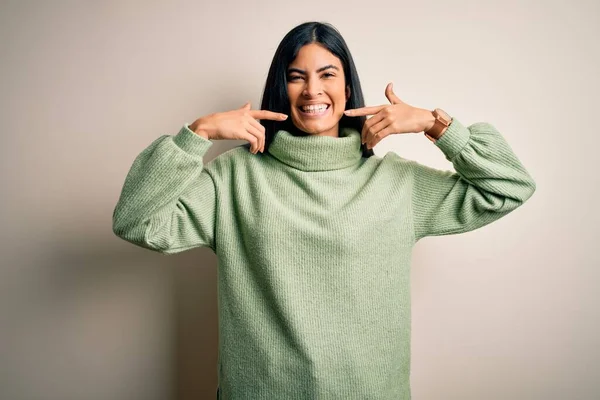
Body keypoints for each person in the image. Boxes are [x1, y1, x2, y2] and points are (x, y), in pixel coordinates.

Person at [112, 21, 536, 400]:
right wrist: (197, 134)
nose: (313, 90)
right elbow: (137, 221)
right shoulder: (236, 178)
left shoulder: (397, 183)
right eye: (297, 77)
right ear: (282, 90)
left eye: (327, 75)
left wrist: (435, 125)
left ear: (348, 87)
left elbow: (509, 186)